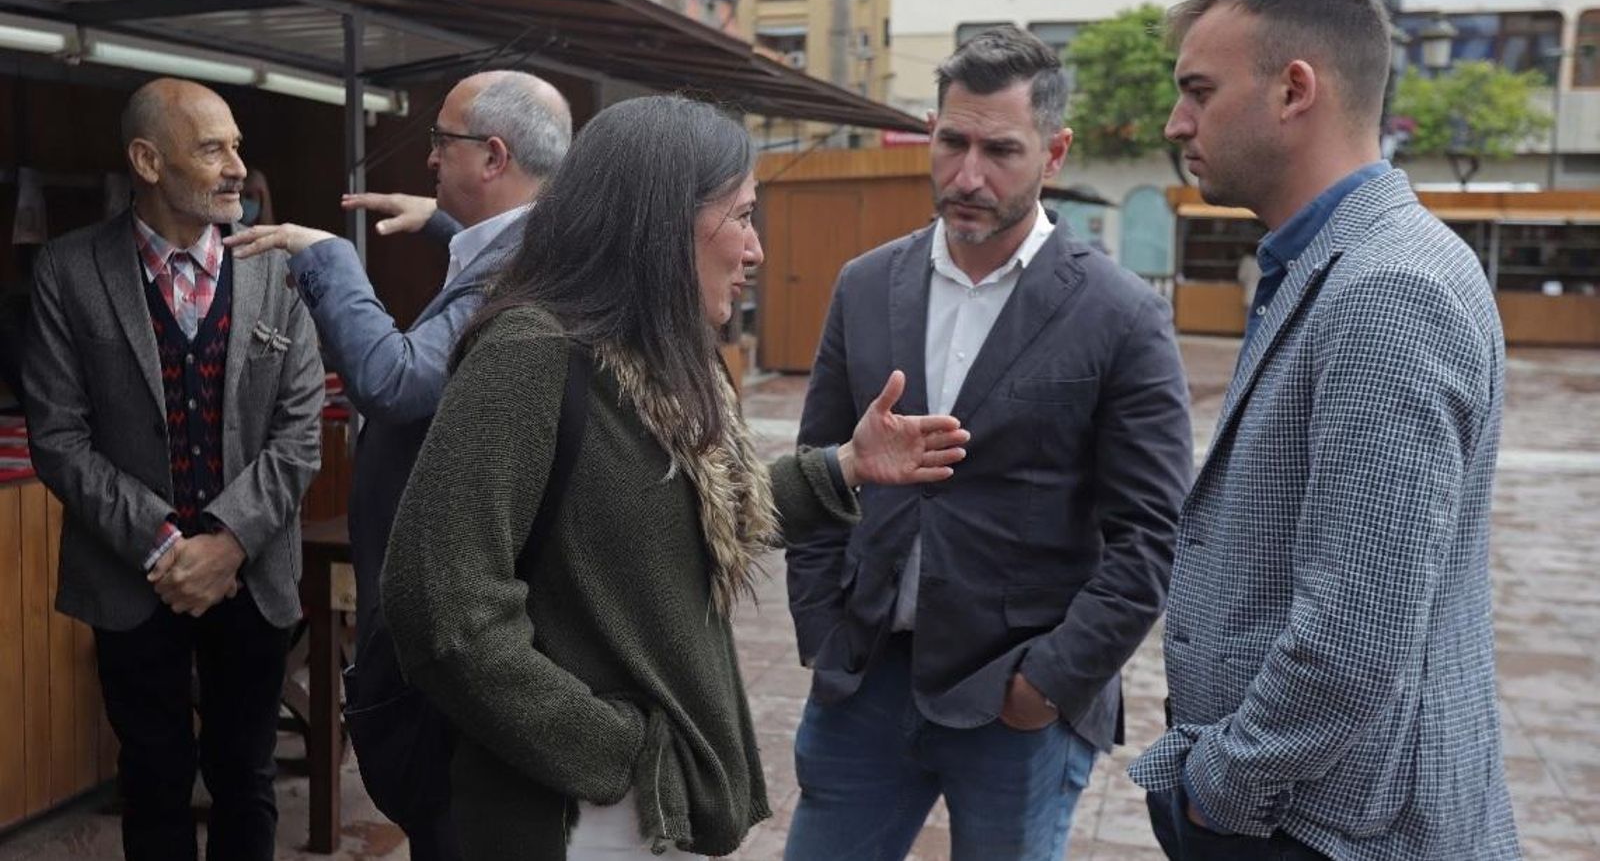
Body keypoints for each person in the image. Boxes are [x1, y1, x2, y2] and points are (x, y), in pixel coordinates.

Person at [379, 94, 971, 861]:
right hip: (570, 818)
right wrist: (613, 753)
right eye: (743, 215)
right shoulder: (532, 353)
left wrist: (847, 467)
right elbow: (439, 601)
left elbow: (694, 518)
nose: (756, 249)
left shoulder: (661, 359)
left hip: (647, 811)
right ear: (661, 223)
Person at [1126, 0, 1520, 859]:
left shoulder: (1388, 288)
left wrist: (1220, 785)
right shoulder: (1337, 262)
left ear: (1294, 89)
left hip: (1327, 829)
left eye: (1199, 91)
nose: (1176, 122)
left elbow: (1357, 631)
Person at [783, 26, 1193, 861]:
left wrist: (1047, 685)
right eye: (952, 142)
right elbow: (819, 471)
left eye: (1000, 150)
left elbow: (1150, 533)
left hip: (1018, 701)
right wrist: (822, 626)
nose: (968, 175)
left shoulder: (1120, 314)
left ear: (1054, 152)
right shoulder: (865, 286)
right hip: (863, 680)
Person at [225, 69, 572, 860]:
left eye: (439, 142)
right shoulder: (544, 246)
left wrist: (326, 260)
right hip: (482, 616)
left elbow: (398, 380)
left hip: (458, 630)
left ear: (492, 156)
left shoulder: (517, 274)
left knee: (454, 827)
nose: (426, 161)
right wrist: (449, 227)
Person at [21, 77, 323, 861]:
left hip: (250, 575)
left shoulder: (278, 270)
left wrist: (226, 542)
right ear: (148, 160)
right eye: (213, 147)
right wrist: (165, 548)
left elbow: (299, 434)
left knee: (245, 778)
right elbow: (58, 436)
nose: (235, 166)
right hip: (131, 578)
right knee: (152, 778)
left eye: (237, 146)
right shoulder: (68, 269)